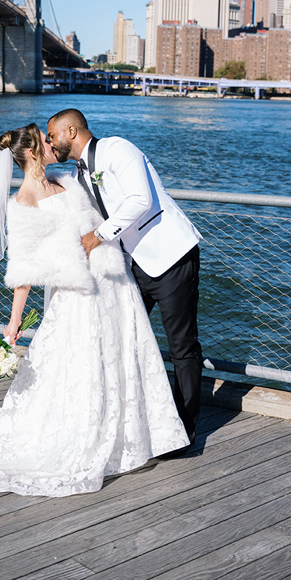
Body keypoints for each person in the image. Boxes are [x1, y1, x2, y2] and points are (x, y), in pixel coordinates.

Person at [0, 123, 189, 497]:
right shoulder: (21, 203)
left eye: (52, 138)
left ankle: (134, 436)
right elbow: (24, 266)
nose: (52, 145)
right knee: (85, 364)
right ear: (32, 152)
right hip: (77, 291)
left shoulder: (67, 176)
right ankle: (93, 434)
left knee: (122, 355)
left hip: (114, 281)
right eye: (46, 142)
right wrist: (15, 320)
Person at [47, 109, 202, 450]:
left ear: (70, 132)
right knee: (124, 337)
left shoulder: (117, 149)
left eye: (52, 136)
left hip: (171, 255)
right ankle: (140, 419)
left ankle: (184, 433)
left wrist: (96, 236)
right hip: (134, 265)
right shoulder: (80, 173)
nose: (50, 142)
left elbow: (140, 200)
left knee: (181, 347)